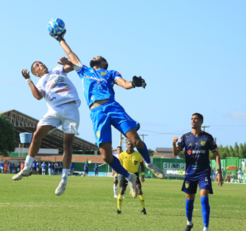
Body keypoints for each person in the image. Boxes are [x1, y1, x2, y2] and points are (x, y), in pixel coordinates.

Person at [51, 28, 165, 199]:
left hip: (113, 107)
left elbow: (124, 83)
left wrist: (134, 83)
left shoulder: (110, 73)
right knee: (105, 156)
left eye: (99, 56)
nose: (95, 56)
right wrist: (60, 38)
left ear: (104, 63)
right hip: (97, 112)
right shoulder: (84, 71)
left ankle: (149, 163)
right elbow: (71, 53)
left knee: (136, 139)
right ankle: (128, 177)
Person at [13, 56, 81, 197]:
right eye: (37, 65)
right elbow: (38, 96)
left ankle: (64, 180)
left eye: (40, 62)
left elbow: (76, 65)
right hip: (54, 110)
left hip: (71, 109)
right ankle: (27, 167)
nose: (41, 64)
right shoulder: (40, 82)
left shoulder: (57, 70)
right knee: (37, 135)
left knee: (67, 144)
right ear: (35, 73)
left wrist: (66, 63)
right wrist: (28, 80)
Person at [172, 113, 223, 231]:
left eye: (196, 119)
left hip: (203, 172)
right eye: (191, 119)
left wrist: (219, 171)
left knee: (204, 198)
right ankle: (189, 223)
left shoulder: (208, 137)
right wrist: (173, 144)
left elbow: (216, 154)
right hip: (190, 173)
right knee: (189, 199)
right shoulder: (185, 137)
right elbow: (175, 153)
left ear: (201, 122)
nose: (193, 121)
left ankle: (206, 228)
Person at [115, 141, 146, 215]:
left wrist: (142, 176)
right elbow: (117, 166)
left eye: (132, 144)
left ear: (134, 146)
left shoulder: (137, 155)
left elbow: (142, 165)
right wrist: (116, 177)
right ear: (126, 146)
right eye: (128, 144)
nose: (130, 145)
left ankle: (143, 209)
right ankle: (118, 210)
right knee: (121, 190)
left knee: (139, 191)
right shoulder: (122, 155)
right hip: (125, 174)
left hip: (135, 175)